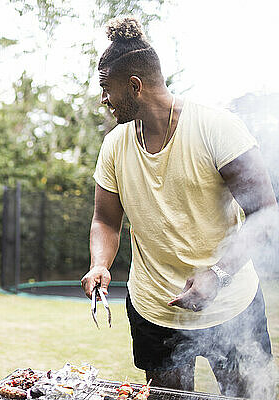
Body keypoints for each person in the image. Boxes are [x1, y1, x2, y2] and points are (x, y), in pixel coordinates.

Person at [81, 16, 277, 399]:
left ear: (134, 87)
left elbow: (266, 215)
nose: (103, 98)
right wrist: (100, 263)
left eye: (107, 88)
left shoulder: (217, 128)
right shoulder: (115, 145)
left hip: (231, 305)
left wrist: (217, 274)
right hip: (155, 311)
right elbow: (105, 220)